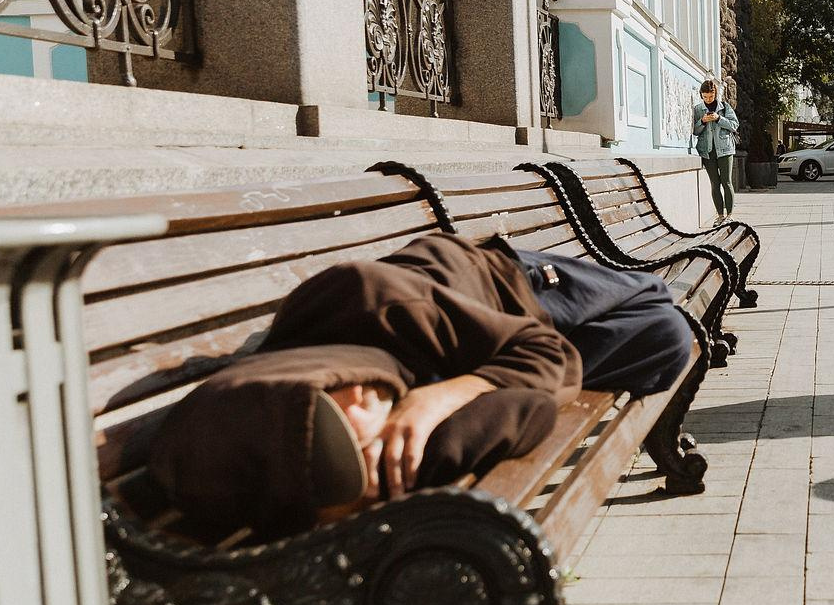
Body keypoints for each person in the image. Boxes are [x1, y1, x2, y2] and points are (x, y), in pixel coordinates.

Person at [146, 233, 694, 543]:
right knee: (667, 334)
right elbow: (529, 408)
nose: (367, 444)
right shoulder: (378, 455)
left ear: (345, 387)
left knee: (654, 296)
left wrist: (442, 395)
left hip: (504, 285)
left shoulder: (373, 298)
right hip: (509, 344)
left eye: (341, 420)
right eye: (358, 459)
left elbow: (545, 354)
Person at [690, 80, 739, 226]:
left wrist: (718, 118)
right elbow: (695, 131)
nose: (708, 99)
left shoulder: (724, 107)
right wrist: (702, 121)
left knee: (726, 182)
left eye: (710, 96)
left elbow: (734, 125)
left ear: (715, 94)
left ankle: (729, 215)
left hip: (725, 150)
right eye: (705, 97)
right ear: (701, 95)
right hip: (707, 151)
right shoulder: (698, 109)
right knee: (714, 183)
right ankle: (720, 216)